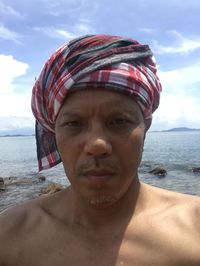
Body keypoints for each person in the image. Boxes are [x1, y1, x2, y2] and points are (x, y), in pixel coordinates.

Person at [0, 34, 199, 266]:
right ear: (54, 133)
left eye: (119, 121)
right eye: (74, 123)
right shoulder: (10, 237)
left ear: (146, 125)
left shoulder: (194, 228)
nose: (97, 145)